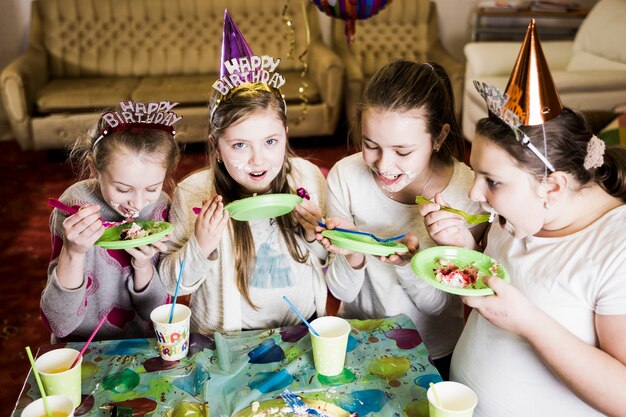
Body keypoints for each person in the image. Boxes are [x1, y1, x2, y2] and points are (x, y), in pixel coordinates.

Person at [448, 21, 626, 417]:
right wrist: (466, 255)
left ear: (554, 187)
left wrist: (530, 322)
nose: (475, 194)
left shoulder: (617, 249)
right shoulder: (517, 215)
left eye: (492, 181)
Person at [158, 11, 327, 335]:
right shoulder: (194, 193)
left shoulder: (307, 179)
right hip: (227, 340)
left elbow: (324, 262)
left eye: (270, 141)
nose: (257, 159)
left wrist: (313, 236)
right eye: (239, 145)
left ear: (286, 134)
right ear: (216, 146)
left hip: (303, 331)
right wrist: (201, 244)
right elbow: (173, 282)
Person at [318, 60, 487, 379]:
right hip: (360, 339)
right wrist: (353, 253)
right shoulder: (346, 177)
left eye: (403, 151)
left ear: (439, 137)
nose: (384, 164)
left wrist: (409, 263)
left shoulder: (468, 193)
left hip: (434, 350)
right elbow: (342, 292)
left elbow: (438, 306)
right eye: (371, 145)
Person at [41, 100, 182, 341]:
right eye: (123, 189)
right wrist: (73, 253)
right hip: (82, 347)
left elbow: (157, 313)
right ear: (94, 170)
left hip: (140, 345)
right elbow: (59, 323)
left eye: (152, 188)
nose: (137, 203)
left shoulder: (160, 207)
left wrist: (143, 266)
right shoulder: (75, 206)